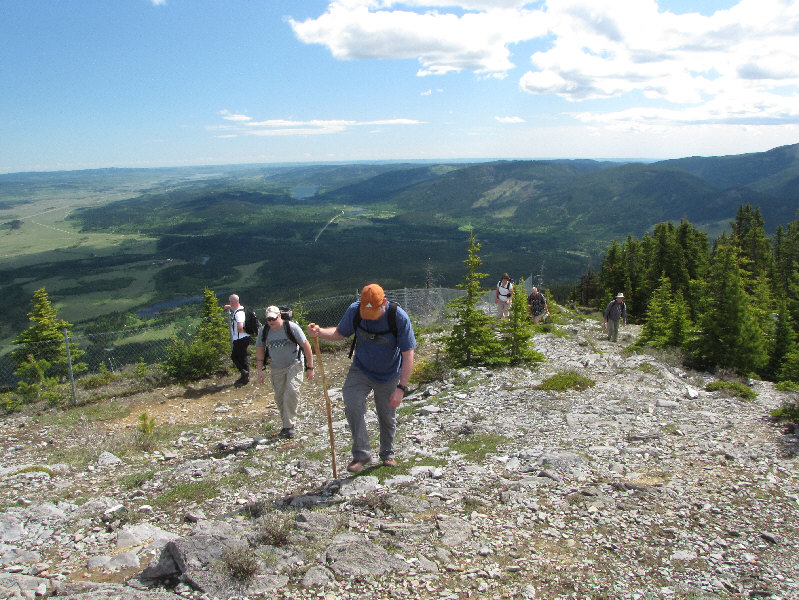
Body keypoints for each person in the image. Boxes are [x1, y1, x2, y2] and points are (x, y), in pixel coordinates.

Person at [308, 284, 416, 473]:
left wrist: (401, 388)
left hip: (389, 373)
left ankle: (387, 453)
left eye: (373, 312)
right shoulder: (355, 311)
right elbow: (340, 333)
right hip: (361, 369)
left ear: (383, 302)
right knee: (352, 404)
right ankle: (362, 454)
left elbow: (408, 353)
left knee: (387, 415)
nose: (369, 317)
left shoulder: (398, 317)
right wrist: (320, 332)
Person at [255, 306, 314, 439]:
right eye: (268, 319)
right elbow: (260, 350)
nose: (271, 322)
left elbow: (306, 346)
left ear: (279, 316)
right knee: (280, 397)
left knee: (291, 392)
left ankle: (289, 426)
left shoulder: (291, 328)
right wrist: (259, 370)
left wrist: (310, 367)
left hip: (294, 364)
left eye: (273, 318)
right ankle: (286, 424)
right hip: (276, 367)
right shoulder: (264, 331)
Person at [223, 294, 250, 385]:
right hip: (243, 337)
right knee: (241, 356)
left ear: (232, 302)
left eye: (230, 302)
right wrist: (229, 307)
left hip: (240, 338)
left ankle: (244, 374)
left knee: (236, 357)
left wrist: (242, 331)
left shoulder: (238, 314)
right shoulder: (241, 309)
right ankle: (245, 374)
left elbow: (240, 327)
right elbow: (234, 307)